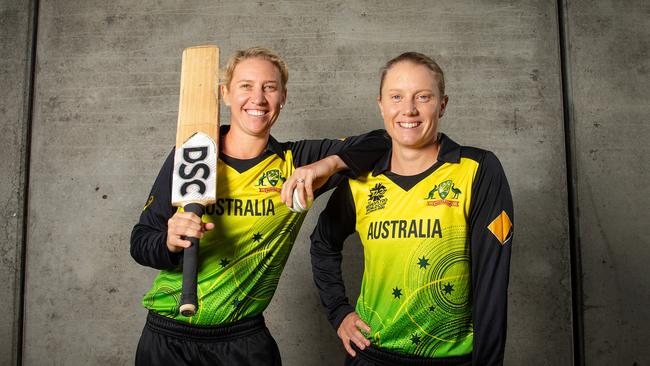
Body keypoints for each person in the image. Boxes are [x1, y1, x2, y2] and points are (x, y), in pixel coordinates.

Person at [131, 46, 388, 366]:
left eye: (269, 87)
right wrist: (168, 242)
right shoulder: (192, 155)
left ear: (283, 97)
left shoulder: (298, 161)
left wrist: (328, 165)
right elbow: (140, 243)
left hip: (242, 341)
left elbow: (386, 141)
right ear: (225, 94)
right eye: (246, 86)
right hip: (167, 338)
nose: (258, 98)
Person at [310, 52, 514, 365]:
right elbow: (323, 243)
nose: (409, 109)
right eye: (396, 97)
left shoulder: (476, 170)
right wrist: (340, 312)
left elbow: (491, 283)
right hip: (371, 356)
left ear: (442, 104)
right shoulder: (360, 179)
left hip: (449, 359)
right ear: (380, 104)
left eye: (423, 97)